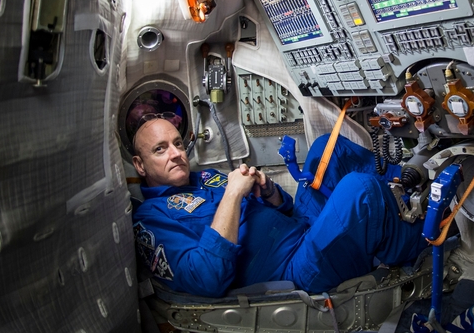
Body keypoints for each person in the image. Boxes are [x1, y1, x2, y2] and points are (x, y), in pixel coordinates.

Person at [131, 116, 426, 298]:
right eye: (160, 149)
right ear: (139, 165)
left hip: (301, 226)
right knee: (358, 190)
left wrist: (270, 192)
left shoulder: (206, 178)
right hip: (292, 271)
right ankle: (423, 236)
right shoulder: (151, 219)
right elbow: (206, 278)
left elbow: (282, 208)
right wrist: (233, 195)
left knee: (328, 147)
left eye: (178, 144)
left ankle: (410, 186)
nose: (175, 154)